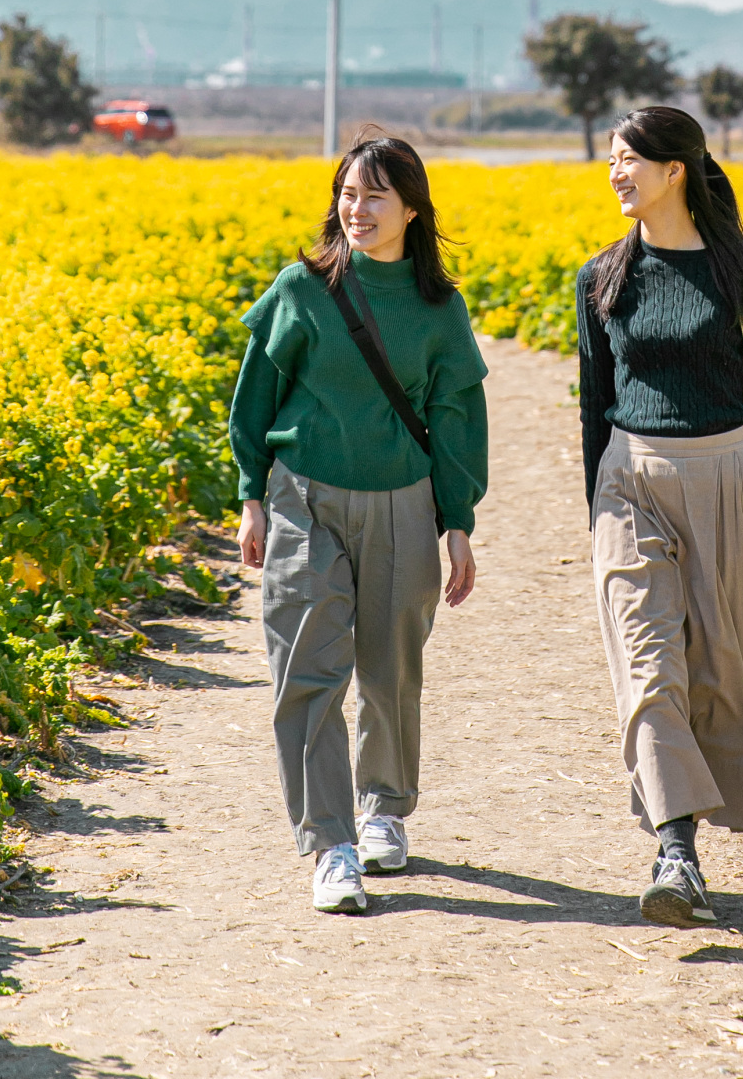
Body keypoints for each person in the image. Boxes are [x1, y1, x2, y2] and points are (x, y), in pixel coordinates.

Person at [231, 133, 487, 915]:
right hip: (304, 500)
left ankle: (384, 810)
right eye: (348, 193)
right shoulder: (301, 290)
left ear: (413, 208)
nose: (358, 208)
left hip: (405, 503)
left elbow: (454, 416)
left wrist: (458, 521)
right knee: (307, 673)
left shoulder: (440, 307)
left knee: (390, 671)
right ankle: (331, 843)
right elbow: (255, 397)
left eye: (376, 195)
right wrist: (249, 495)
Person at [577, 105, 743, 928]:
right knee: (647, 668)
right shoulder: (602, 276)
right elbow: (593, 406)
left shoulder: (742, 271)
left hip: (726, 478)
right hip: (629, 482)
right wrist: (595, 519)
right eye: (610, 157)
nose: (615, 171)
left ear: (676, 169)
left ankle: (683, 845)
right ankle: (676, 852)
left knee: (712, 676)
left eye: (629, 157)